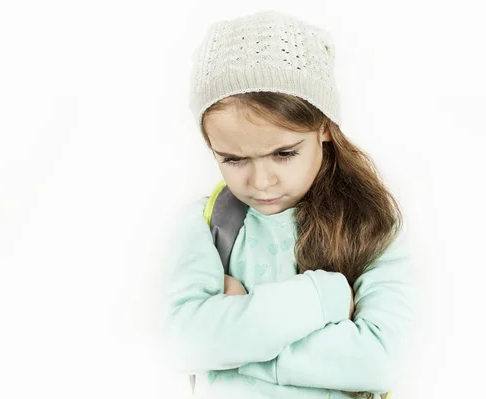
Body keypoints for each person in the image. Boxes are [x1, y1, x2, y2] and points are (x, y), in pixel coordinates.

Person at [160, 9, 416, 399]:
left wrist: (234, 339)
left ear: (325, 128)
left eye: (283, 153)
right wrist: (323, 297)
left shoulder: (372, 223)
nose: (261, 182)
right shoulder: (207, 222)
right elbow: (181, 344)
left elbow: (384, 361)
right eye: (233, 159)